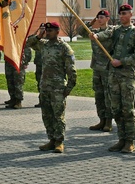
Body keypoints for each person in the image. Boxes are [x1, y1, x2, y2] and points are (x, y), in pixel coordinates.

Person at [90, 4, 135, 153]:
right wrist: (96, 36)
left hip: (128, 75)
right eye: (120, 14)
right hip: (113, 75)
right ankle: (121, 138)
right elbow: (105, 34)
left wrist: (122, 61)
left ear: (131, 15)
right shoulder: (115, 30)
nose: (122, 16)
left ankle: (130, 141)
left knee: (128, 109)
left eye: (125, 13)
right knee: (116, 109)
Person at [27, 22, 77, 153]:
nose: (48, 32)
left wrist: (69, 87)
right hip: (45, 86)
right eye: (47, 30)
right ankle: (51, 139)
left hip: (58, 87)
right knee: (47, 115)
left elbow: (71, 69)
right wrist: (39, 35)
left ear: (58, 31)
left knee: (58, 115)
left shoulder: (64, 47)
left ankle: (59, 142)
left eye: (50, 30)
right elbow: (28, 43)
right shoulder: (43, 45)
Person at [88, 10, 113, 131]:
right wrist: (92, 22)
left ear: (108, 18)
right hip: (96, 68)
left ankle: (108, 121)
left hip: (107, 68)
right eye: (98, 17)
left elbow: (105, 35)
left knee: (108, 95)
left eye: (102, 17)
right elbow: (81, 31)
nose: (100, 19)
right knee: (99, 95)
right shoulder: (94, 31)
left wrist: (96, 36)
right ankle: (101, 120)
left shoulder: (111, 30)